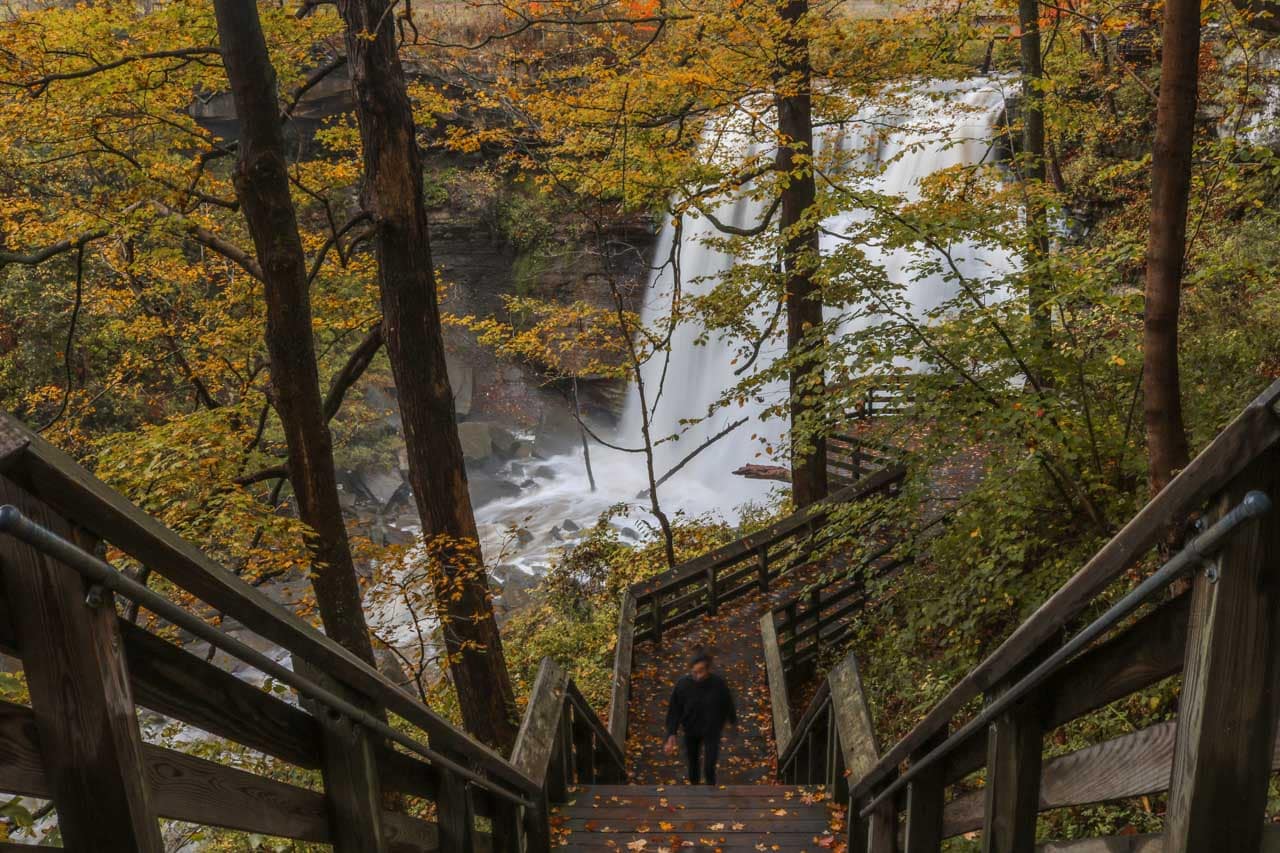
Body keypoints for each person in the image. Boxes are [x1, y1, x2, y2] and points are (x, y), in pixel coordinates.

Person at [663, 651, 737, 785]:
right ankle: (695, 790)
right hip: (691, 729)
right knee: (693, 763)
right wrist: (671, 733)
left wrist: (732, 720)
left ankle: (711, 791)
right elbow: (674, 710)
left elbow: (727, 702)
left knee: (709, 766)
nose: (697, 675)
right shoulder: (683, 684)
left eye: (701, 671)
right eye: (694, 672)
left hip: (712, 730)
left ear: (708, 669)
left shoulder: (718, 684)